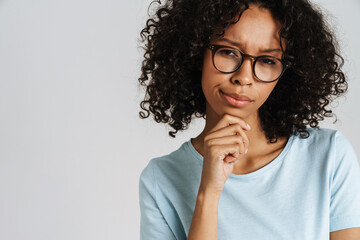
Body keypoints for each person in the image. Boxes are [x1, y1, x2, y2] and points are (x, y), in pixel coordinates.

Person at [137, 0, 360, 239]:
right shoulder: (161, 179)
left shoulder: (328, 155)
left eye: (267, 61)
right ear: (194, 53)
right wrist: (208, 193)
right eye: (228, 52)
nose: (244, 78)